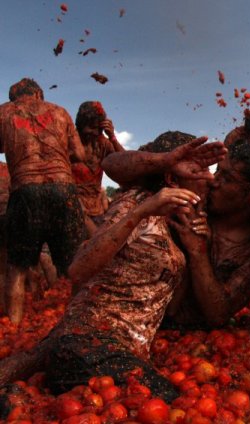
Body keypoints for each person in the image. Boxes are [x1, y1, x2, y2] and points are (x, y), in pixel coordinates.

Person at [0, 131, 225, 401]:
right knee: (169, 402)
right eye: (202, 170)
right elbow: (78, 270)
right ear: (171, 179)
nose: (212, 179)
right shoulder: (137, 203)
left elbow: (171, 307)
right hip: (92, 345)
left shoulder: (178, 226)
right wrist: (142, 211)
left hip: (117, 351)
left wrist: (195, 249)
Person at [103, 136, 250, 329]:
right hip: (131, 319)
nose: (214, 181)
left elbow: (218, 315)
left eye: (227, 179)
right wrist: (164, 161)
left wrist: (198, 252)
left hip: (195, 341)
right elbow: (110, 164)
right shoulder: (195, 198)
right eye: (218, 171)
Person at [0, 78, 86, 324]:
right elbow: (80, 154)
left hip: (25, 190)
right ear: (39, 94)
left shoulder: (3, 112)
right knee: (75, 265)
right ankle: (78, 323)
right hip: (63, 188)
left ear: (13, 97)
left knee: (16, 267)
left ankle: (13, 329)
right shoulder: (60, 112)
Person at [72, 101, 125, 236]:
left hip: (97, 212)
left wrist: (112, 136)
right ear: (81, 124)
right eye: (91, 127)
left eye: (99, 129)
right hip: (72, 208)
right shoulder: (69, 141)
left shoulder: (103, 143)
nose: (95, 132)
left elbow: (125, 164)